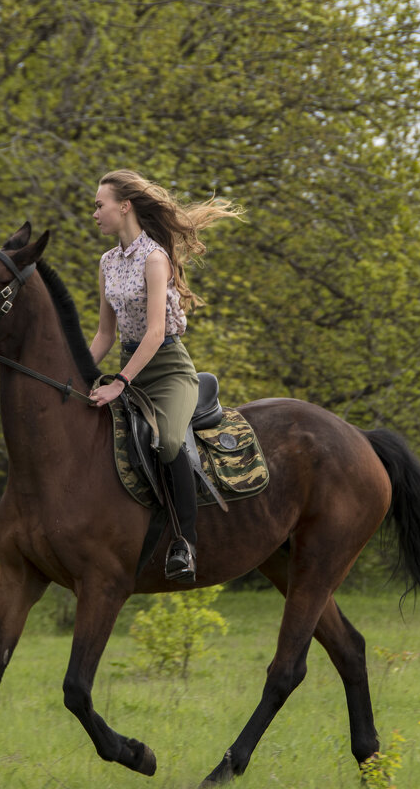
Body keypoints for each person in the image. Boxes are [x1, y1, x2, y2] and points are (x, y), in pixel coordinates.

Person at [88, 169, 244, 583]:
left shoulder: (154, 258)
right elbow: (105, 334)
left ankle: (185, 543)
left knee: (170, 440)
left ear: (124, 207)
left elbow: (156, 333)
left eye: (99, 205)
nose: (94, 213)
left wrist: (119, 382)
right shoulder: (106, 263)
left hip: (169, 369)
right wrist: (78, 377)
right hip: (127, 365)